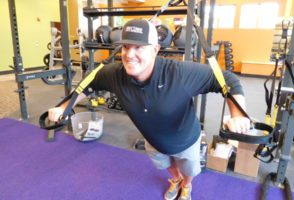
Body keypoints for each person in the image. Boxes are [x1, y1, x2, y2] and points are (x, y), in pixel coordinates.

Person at [48, 18, 250, 200]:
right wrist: (64, 107)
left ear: (155, 49)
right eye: (126, 47)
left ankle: (186, 186)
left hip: (185, 141)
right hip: (152, 140)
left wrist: (238, 114)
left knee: (189, 170)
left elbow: (227, 80)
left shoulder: (179, 73)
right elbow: (88, 84)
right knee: (165, 164)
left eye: (138, 48)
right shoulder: (115, 73)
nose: (129, 55)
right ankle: (176, 179)